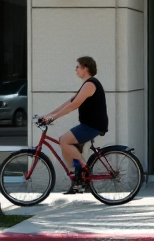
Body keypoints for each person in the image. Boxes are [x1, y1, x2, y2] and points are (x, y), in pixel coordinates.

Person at [44, 56, 108, 194]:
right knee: (65, 144)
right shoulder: (86, 84)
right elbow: (67, 103)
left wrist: (54, 117)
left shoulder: (91, 84)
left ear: (86, 68)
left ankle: (84, 168)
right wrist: (48, 116)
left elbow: (74, 105)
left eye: (78, 67)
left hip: (93, 125)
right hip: (89, 124)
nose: (75, 70)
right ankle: (77, 179)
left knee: (64, 141)